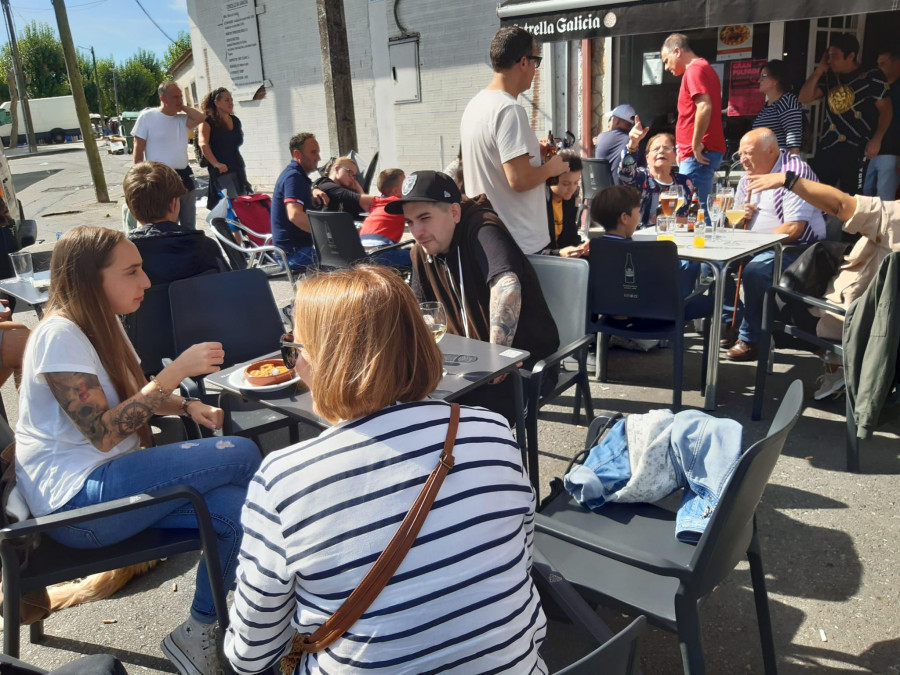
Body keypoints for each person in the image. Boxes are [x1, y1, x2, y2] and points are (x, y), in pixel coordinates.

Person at [224, 265, 546, 675]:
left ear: (329, 361)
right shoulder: (492, 430)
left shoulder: (285, 481)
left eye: (295, 349)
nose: (295, 364)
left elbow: (250, 655)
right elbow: (521, 551)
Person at [14, 226, 261, 675]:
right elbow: (105, 432)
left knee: (234, 511)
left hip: (112, 484)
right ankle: (270, 594)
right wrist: (178, 371)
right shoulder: (59, 336)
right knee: (240, 455)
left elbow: (133, 395)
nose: (146, 281)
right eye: (132, 271)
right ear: (91, 280)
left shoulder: (101, 322)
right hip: (76, 505)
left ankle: (199, 631)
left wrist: (187, 403)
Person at [386, 170, 559, 422]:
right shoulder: (421, 252)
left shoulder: (482, 227)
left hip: (522, 368)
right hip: (462, 366)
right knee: (400, 402)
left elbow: (507, 285)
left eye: (425, 218)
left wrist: (495, 358)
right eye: (410, 222)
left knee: (453, 420)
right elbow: (420, 312)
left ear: (454, 212)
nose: (417, 232)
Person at [746, 168, 900, 398]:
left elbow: (841, 206)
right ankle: (836, 364)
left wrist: (790, 180)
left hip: (860, 324)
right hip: (886, 326)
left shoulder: (893, 215)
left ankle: (837, 363)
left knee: (770, 305)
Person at [460, 26, 570, 254]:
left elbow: (496, 160)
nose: (535, 70)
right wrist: (552, 168)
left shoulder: (476, 105)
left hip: (490, 237)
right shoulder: (508, 109)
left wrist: (531, 149)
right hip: (519, 243)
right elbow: (519, 180)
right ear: (523, 62)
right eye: (535, 61)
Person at [724, 128, 826, 362]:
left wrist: (753, 245)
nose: (742, 160)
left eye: (748, 153)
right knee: (712, 266)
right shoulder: (747, 177)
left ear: (771, 150)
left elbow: (794, 229)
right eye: (740, 154)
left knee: (755, 271)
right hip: (756, 245)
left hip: (799, 249)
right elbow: (736, 222)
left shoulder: (795, 174)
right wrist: (742, 220)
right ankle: (733, 321)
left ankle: (751, 339)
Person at [798, 33, 892, 194]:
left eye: (835, 56)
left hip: (857, 147)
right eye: (828, 56)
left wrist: (877, 139)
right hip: (829, 145)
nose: (830, 60)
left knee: (854, 198)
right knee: (815, 194)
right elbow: (804, 97)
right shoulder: (830, 79)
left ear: (851, 56)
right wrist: (820, 69)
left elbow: (886, 111)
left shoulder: (871, 77)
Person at [124, 162, 230, 285]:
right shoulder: (206, 247)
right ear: (173, 204)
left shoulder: (120, 256)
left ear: (130, 207)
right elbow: (227, 290)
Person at [660, 33, 726, 215]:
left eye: (666, 60)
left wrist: (695, 144)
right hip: (696, 154)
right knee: (696, 211)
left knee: (693, 213)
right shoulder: (703, 68)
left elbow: (704, 106)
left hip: (697, 155)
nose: (666, 67)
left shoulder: (695, 69)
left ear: (677, 51)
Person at [132, 81, 206, 230]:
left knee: (189, 222)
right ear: (163, 99)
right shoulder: (147, 117)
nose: (179, 100)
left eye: (181, 97)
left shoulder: (182, 119)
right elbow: (138, 148)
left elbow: (201, 117)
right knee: (165, 224)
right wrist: (138, 177)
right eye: (175, 97)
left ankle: (189, 250)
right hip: (160, 177)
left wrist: (182, 107)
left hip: (183, 175)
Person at [618, 123, 695, 225]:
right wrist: (633, 144)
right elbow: (625, 174)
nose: (661, 151)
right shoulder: (641, 177)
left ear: (674, 156)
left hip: (675, 238)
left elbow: (694, 218)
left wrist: (671, 221)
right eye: (656, 149)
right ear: (647, 158)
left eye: (667, 148)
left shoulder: (685, 182)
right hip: (642, 238)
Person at [271, 132, 325, 272]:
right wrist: (326, 234)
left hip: (295, 250)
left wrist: (313, 189)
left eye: (317, 152)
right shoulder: (293, 178)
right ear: (297, 154)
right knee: (347, 258)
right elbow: (294, 215)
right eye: (313, 152)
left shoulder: (296, 175)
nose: (318, 157)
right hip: (294, 254)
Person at [198, 87, 249, 210]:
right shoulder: (207, 122)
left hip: (237, 166)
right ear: (217, 102)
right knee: (232, 203)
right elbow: (203, 144)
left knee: (243, 201)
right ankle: (228, 227)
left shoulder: (235, 121)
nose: (231, 103)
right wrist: (216, 164)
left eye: (231, 100)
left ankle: (237, 228)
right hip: (221, 170)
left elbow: (236, 139)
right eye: (227, 100)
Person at [864, 49, 900, 200]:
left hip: (892, 152)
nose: (879, 68)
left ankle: (884, 225)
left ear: (897, 64)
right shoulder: (874, 86)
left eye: (883, 64)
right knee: (863, 196)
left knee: (885, 200)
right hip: (867, 150)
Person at [752, 59, 804, 154]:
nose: (759, 80)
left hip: (779, 163)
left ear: (776, 80)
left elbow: (793, 137)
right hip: (765, 163)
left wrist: (792, 165)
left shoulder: (787, 101)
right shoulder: (768, 105)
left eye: (763, 76)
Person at [544, 149, 588, 256]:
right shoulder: (541, 203)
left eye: (576, 183)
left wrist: (580, 248)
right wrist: (559, 253)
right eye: (565, 183)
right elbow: (535, 250)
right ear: (551, 179)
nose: (572, 189)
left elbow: (571, 235)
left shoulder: (570, 200)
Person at [594, 103, 638, 181]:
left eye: (611, 119)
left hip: (602, 191)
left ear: (616, 120)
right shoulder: (635, 143)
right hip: (624, 191)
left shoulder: (601, 137)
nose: (608, 123)